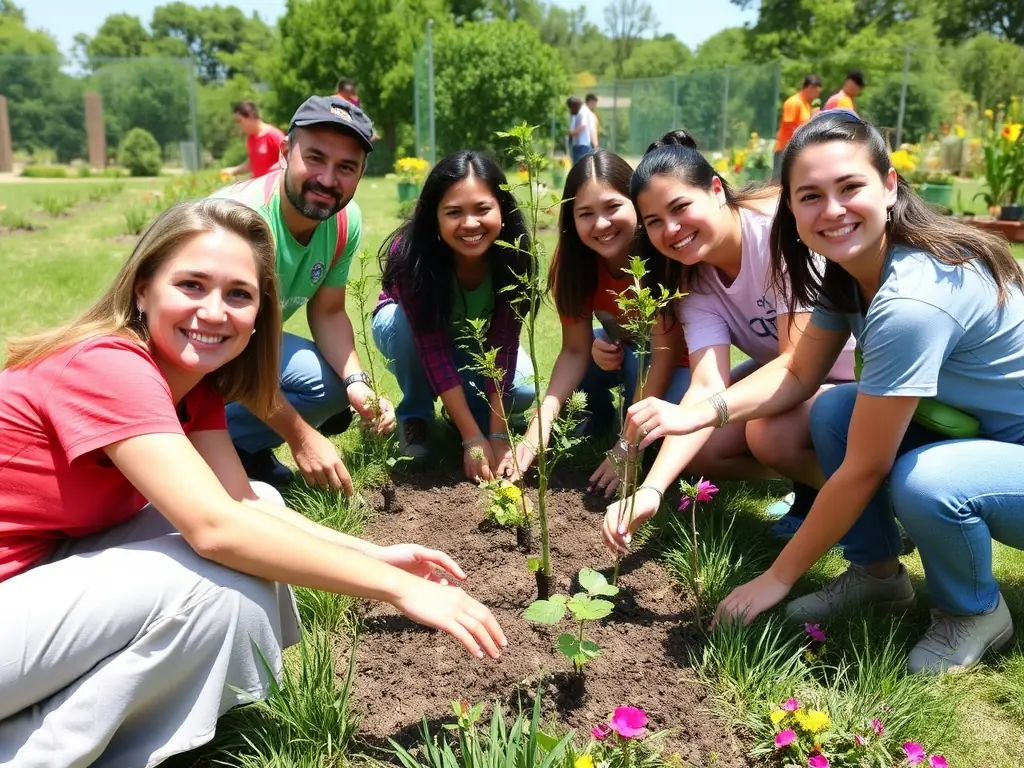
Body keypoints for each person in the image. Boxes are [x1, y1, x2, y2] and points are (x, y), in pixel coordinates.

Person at [0, 199, 506, 767]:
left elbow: (242, 502)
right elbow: (215, 528)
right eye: (191, 284)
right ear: (142, 289)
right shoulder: (108, 365)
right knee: (209, 582)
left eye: (238, 294)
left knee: (259, 506)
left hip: (30, 580)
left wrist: (378, 555)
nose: (214, 311)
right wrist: (401, 590)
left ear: (261, 311)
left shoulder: (195, 388)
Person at [655, 110, 1022, 674]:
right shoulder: (850, 271)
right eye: (810, 196)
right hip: (990, 434)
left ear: (889, 184)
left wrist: (776, 577)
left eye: (850, 187)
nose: (832, 210)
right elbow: (799, 374)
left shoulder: (910, 300)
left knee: (926, 483)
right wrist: (704, 412)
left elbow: (864, 468)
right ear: (791, 208)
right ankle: (878, 574)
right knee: (830, 410)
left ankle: (972, 612)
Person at [601, 129, 856, 551]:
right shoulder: (694, 277)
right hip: (799, 377)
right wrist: (652, 489)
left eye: (680, 207)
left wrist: (706, 412)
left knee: (767, 434)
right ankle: (817, 480)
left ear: (716, 189)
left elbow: (797, 362)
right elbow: (707, 384)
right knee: (701, 448)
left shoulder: (778, 233)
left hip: (851, 374)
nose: (672, 230)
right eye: (654, 222)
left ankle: (868, 506)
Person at [213, 95, 395, 492]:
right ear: (284, 152)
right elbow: (219, 349)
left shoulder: (344, 220)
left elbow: (329, 312)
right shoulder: (241, 224)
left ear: (361, 173)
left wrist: (357, 384)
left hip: (243, 342)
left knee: (331, 387)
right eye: (315, 158)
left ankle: (242, 447)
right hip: (183, 355)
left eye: (346, 167)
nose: (328, 180)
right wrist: (300, 437)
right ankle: (197, 444)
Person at [514, 149, 689, 496]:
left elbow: (665, 354)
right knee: (592, 354)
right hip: (626, 352)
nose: (601, 224)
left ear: (637, 204)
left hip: (677, 363)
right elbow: (574, 350)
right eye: (586, 214)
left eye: (613, 207)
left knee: (666, 442)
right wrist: (543, 418)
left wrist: (628, 444)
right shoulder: (574, 267)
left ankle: (627, 428)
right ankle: (600, 417)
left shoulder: (662, 257)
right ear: (571, 220)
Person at [373, 150, 536, 482]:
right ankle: (415, 416)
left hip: (469, 337)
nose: (470, 224)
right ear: (435, 218)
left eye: (482, 209)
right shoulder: (410, 256)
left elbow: (503, 344)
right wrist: (473, 440)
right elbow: (431, 347)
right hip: (403, 329)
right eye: (454, 212)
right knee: (407, 328)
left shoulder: (515, 257)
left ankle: (457, 413)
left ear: (502, 210)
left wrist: (497, 435)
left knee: (522, 389)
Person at [221, 101, 286, 180]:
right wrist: (233, 171)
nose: (238, 125)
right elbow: (252, 164)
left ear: (250, 116)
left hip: (274, 186)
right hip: (259, 187)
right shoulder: (251, 138)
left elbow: (288, 158)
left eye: (239, 121)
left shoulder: (274, 135)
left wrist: (273, 171)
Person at [773, 74, 822, 180]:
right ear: (810, 88)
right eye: (816, 92)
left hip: (796, 150)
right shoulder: (793, 102)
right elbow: (789, 125)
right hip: (785, 150)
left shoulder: (806, 104)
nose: (816, 96)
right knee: (779, 184)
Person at [567, 97, 595, 164]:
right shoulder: (576, 113)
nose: (570, 109)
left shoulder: (582, 112)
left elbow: (583, 125)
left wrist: (573, 132)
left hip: (582, 145)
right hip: (577, 144)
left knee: (581, 166)